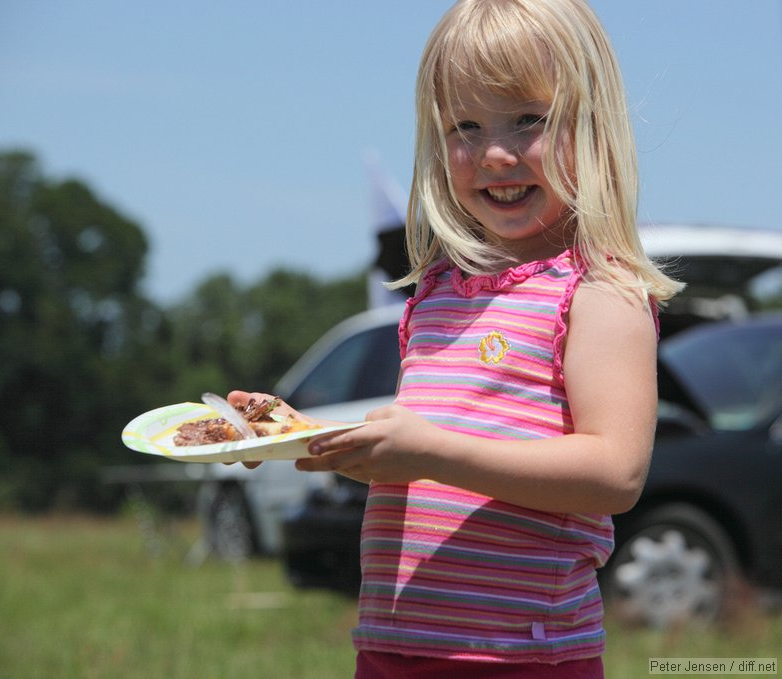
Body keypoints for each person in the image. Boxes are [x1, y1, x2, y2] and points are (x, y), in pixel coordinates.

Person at [230, 0, 683, 675]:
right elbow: (430, 454)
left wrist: (434, 452)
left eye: (528, 119)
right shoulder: (438, 290)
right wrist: (319, 442)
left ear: (591, 123)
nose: (495, 152)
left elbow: (616, 473)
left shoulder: (598, 291)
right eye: (464, 126)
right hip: (390, 644)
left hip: (522, 655)